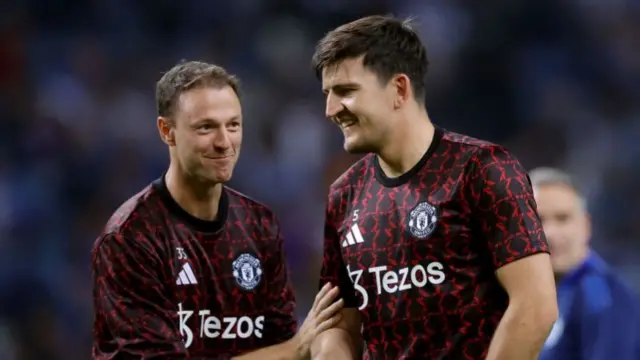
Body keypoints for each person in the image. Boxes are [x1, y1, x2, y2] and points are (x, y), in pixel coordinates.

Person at [309, 15, 559, 360]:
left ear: (399, 89)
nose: (331, 110)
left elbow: (536, 306)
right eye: (327, 94)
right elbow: (337, 326)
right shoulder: (344, 195)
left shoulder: (482, 169)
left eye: (346, 91)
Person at [91, 61, 344, 359]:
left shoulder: (259, 225)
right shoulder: (131, 238)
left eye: (233, 125)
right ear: (167, 131)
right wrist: (296, 348)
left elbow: (281, 348)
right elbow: (288, 351)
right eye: (206, 127)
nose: (224, 142)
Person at [531, 167, 640, 360]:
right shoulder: (526, 294)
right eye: (538, 221)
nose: (549, 233)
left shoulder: (602, 299)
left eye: (562, 219)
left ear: (585, 225)